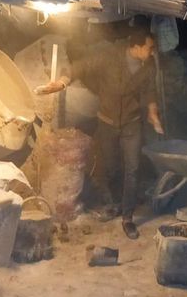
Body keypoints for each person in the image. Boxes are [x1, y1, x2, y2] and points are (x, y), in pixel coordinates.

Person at [37, 31, 164, 240]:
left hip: (132, 124)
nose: (152, 52)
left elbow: (150, 91)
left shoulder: (148, 66)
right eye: (150, 48)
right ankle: (110, 203)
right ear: (137, 46)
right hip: (107, 122)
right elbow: (80, 66)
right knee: (109, 166)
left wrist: (153, 113)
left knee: (132, 169)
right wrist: (61, 83)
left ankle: (128, 217)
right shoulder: (109, 57)